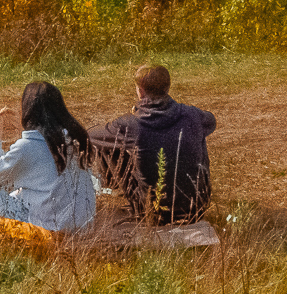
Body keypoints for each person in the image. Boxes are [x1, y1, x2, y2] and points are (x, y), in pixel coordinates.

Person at [91, 63, 216, 224]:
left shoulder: (131, 124)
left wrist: (133, 114)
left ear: (140, 92)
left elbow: (91, 136)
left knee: (107, 144)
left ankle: (114, 187)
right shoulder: (194, 115)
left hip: (152, 210)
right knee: (195, 131)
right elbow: (210, 121)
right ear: (168, 87)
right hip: (196, 207)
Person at [0, 80, 98, 233]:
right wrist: (22, 126)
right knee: (20, 190)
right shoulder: (74, 137)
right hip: (83, 224)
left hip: (51, 227)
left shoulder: (28, 146)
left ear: (27, 109)